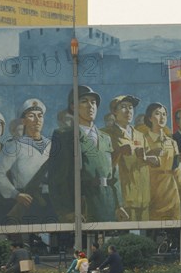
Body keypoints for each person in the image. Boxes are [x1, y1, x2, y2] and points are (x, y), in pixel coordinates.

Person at [49, 85, 129, 223]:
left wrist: (119, 205)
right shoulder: (64, 136)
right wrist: (67, 211)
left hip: (107, 203)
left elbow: (113, 173)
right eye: (84, 101)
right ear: (74, 106)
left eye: (93, 102)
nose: (90, 106)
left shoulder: (105, 138)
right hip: (83, 206)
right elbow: (57, 179)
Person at [0, 99, 54, 223]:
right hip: (27, 200)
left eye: (40, 116)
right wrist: (15, 194)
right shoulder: (14, 146)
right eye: (31, 116)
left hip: (51, 200)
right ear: (23, 121)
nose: (37, 120)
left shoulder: (51, 145)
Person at [102, 95, 157, 221]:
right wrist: (119, 151)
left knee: (145, 235)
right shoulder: (106, 134)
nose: (128, 111)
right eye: (123, 107)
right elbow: (102, 166)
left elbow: (154, 161)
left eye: (131, 107)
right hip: (123, 199)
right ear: (114, 111)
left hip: (144, 197)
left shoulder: (140, 135)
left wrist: (146, 158)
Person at [142, 102, 181, 220]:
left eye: (164, 114)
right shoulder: (143, 139)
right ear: (150, 118)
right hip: (152, 190)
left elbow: (177, 168)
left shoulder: (172, 142)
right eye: (157, 114)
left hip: (171, 190)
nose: (162, 117)